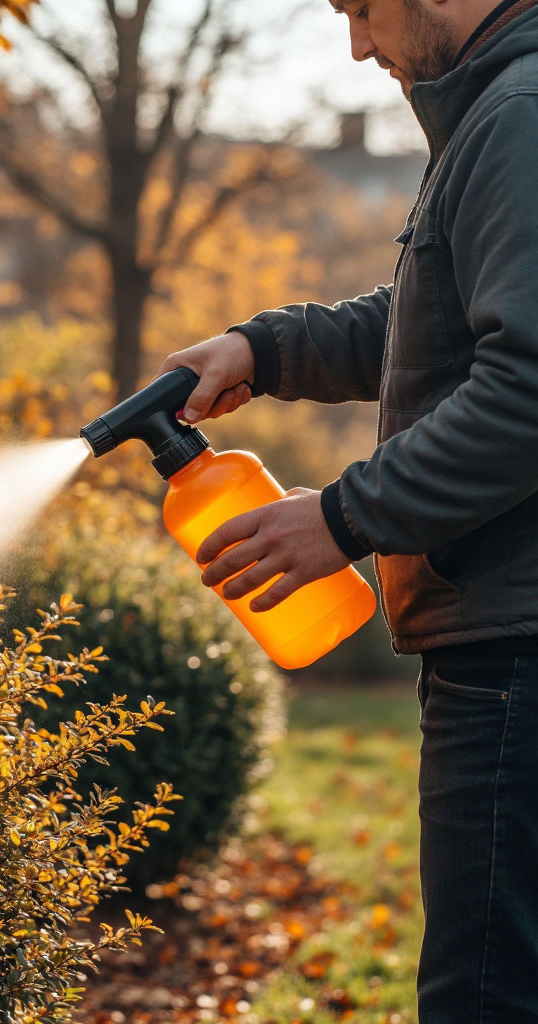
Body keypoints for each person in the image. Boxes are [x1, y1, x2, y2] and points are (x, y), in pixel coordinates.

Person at [158, 0, 538, 1020]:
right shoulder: (500, 113)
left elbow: (527, 389)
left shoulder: (518, 114)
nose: (357, 45)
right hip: (507, 632)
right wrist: (267, 349)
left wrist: (340, 518)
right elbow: (430, 322)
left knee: (489, 992)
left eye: (360, 8)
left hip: (514, 651)